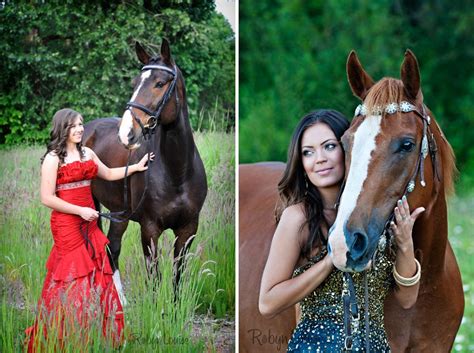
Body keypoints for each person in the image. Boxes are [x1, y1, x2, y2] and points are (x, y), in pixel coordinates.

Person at [258, 110, 423, 352]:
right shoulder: (298, 218)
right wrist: (329, 263)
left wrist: (405, 244)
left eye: (329, 147)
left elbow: (407, 300)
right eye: (308, 152)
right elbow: (268, 302)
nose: (320, 159)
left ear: (349, 150)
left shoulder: (376, 217)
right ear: (301, 163)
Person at [25, 108, 153, 351]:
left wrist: (135, 168)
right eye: (74, 125)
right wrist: (79, 211)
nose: (79, 129)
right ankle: (68, 333)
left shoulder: (88, 153)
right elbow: (46, 198)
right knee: (73, 276)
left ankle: (97, 332)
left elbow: (108, 173)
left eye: (81, 124)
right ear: (62, 128)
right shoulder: (54, 158)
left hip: (89, 222)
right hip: (67, 224)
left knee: (99, 270)